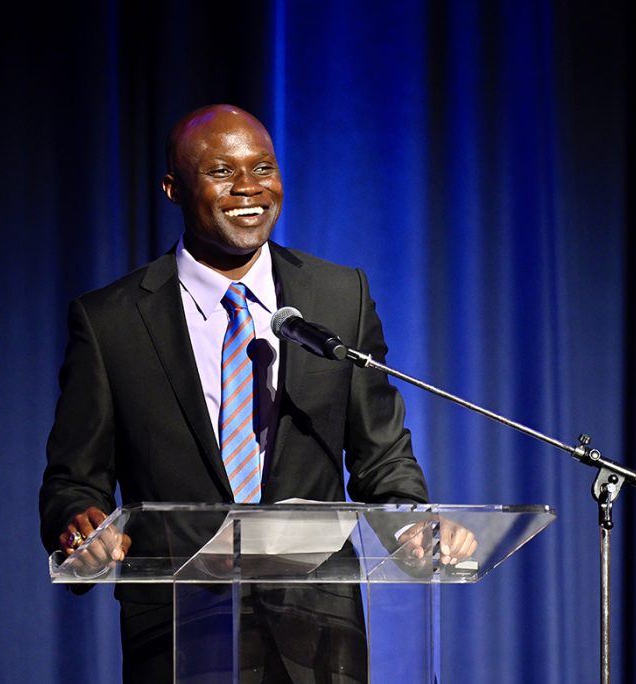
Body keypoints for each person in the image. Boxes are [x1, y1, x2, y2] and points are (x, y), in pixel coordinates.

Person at [39, 104, 475, 683]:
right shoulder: (110, 321)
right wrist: (82, 526)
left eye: (263, 167)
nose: (249, 188)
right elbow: (73, 480)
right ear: (173, 188)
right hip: (178, 632)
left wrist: (412, 526)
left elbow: (382, 458)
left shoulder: (338, 297)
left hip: (319, 633)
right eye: (221, 172)